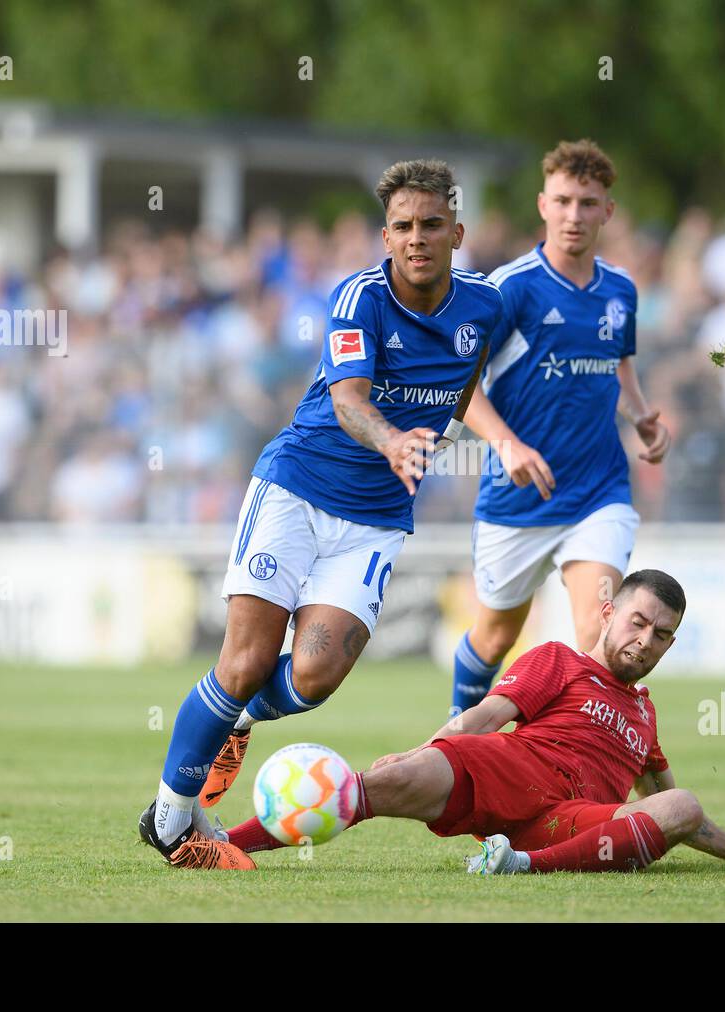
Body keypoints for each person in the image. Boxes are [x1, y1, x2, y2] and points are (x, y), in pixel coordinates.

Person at [138, 159, 501, 868]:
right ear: (385, 235)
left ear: (456, 231)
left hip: (375, 519)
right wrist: (395, 439)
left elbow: (467, 385)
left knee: (315, 679)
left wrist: (458, 434)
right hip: (297, 490)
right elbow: (348, 401)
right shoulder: (358, 297)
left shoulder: (485, 305)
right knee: (241, 662)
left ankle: (235, 722)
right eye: (402, 227)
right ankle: (173, 821)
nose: (417, 238)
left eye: (431, 225)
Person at [227, 570, 725, 873]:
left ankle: (519, 864)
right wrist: (420, 752)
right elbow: (486, 716)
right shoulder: (558, 660)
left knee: (683, 803)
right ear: (608, 613)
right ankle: (224, 843)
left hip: (572, 821)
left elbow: (678, 814)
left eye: (662, 634)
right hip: (506, 770)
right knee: (369, 786)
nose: (645, 641)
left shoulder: (644, 715)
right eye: (638, 622)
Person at [447, 139, 670, 718]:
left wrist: (642, 415)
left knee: (597, 640)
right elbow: (459, 387)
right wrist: (506, 442)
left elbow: (618, 366)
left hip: (599, 492)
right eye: (565, 201)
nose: (575, 215)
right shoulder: (510, 288)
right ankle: (457, 738)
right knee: (494, 638)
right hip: (516, 499)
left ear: (607, 213)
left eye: (588, 203)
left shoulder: (620, 290)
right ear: (543, 204)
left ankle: (577, 774)